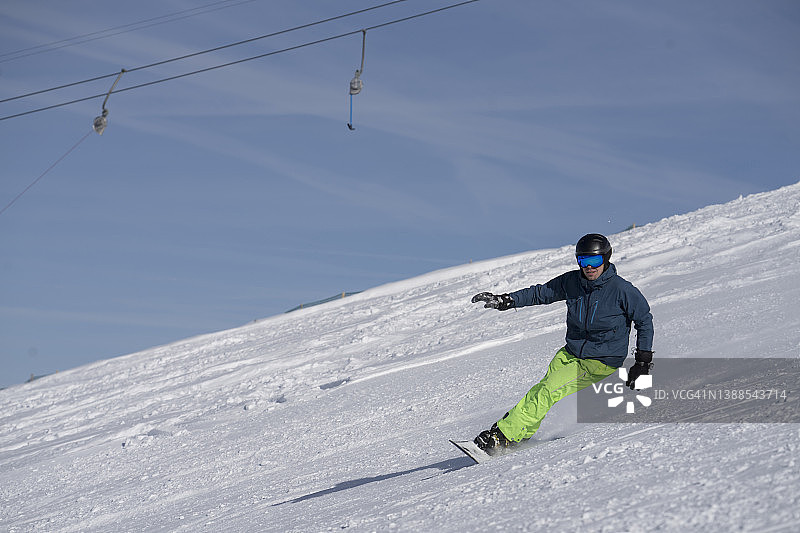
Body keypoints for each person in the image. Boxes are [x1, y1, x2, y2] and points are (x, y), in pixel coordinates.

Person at [470, 233, 654, 455]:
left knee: (548, 391)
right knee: (542, 390)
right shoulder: (572, 282)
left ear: (606, 259)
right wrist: (507, 300)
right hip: (570, 352)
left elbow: (644, 321)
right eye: (583, 260)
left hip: (599, 360)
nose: (589, 267)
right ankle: (518, 434)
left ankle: (502, 436)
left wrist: (642, 362)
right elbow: (540, 293)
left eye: (594, 260)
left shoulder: (622, 290)